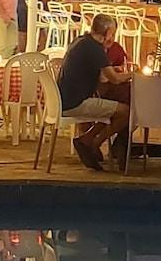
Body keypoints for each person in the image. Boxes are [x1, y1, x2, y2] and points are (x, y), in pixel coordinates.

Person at [56, 13, 133, 171]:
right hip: (76, 102)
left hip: (63, 99)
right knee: (126, 112)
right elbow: (114, 79)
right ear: (108, 32)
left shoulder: (81, 41)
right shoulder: (95, 49)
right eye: (112, 33)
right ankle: (92, 142)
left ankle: (88, 140)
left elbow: (101, 76)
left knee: (113, 110)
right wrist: (133, 75)